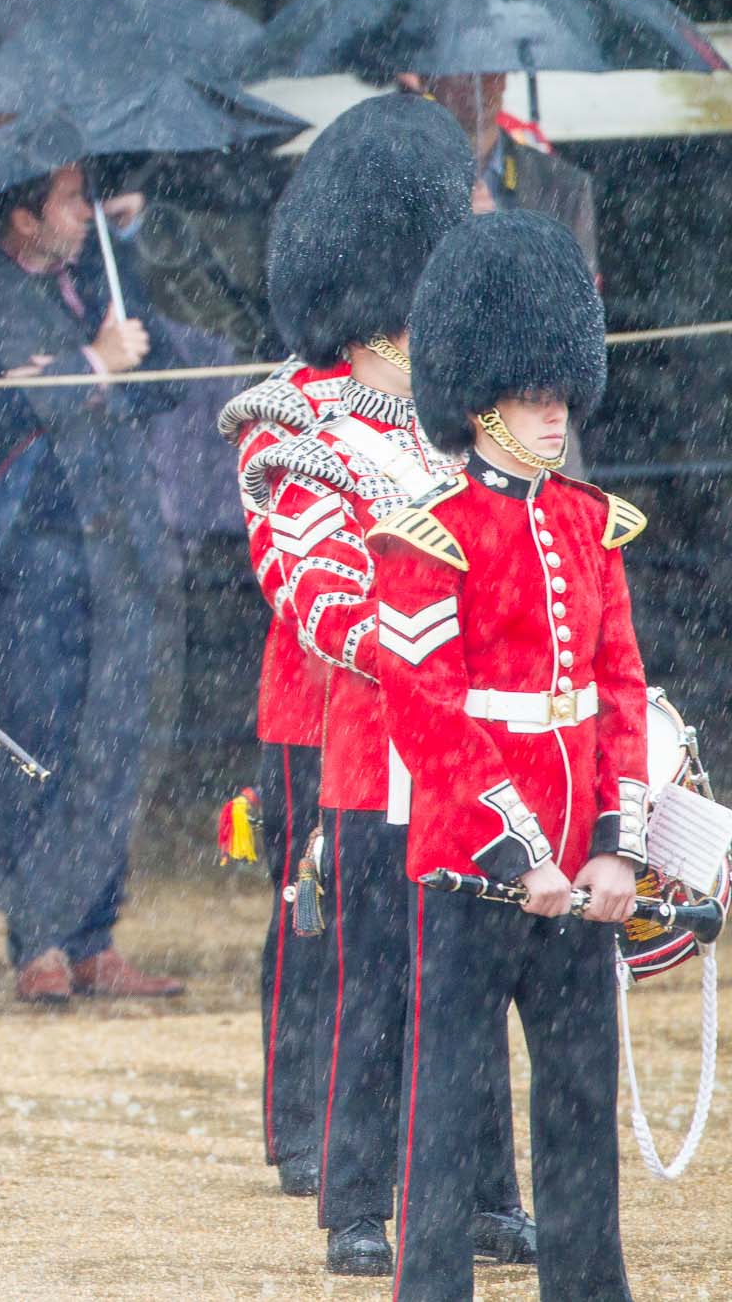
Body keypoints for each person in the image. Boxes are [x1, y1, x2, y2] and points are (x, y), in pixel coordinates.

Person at [248, 93, 531, 1275]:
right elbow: (312, 597)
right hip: (375, 743)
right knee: (377, 980)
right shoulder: (294, 423)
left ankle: (473, 1191)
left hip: (477, 740)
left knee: (477, 972)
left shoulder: (460, 413)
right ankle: (356, 1198)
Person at [375, 209, 642, 1302]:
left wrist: (615, 846)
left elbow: (617, 689)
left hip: (580, 865)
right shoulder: (426, 530)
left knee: (579, 1105)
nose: (554, 410)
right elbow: (427, 709)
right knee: (445, 1109)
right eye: (536, 393)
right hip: (472, 862)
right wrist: (512, 848)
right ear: (478, 401)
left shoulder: (586, 523)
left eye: (558, 390)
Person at [0, 114, 186, 1002]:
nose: (84, 214)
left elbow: (167, 368)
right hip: (31, 558)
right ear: (23, 217)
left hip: (118, 546)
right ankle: (37, 935)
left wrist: (122, 292)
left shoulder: (102, 275)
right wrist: (89, 366)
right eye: (71, 199)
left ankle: (95, 933)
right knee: (39, 740)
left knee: (113, 740)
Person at [216, 360, 340, 1197]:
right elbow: (286, 567)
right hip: (312, 698)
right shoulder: (282, 410)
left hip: (419, 690)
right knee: (312, 908)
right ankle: (302, 1120)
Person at [394, 73, 598, 273]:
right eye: (460, 73)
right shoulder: (394, 183)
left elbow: (577, 296)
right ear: (428, 80)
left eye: (487, 72)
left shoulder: (563, 185)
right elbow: (385, 288)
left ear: (504, 79)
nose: (475, 84)